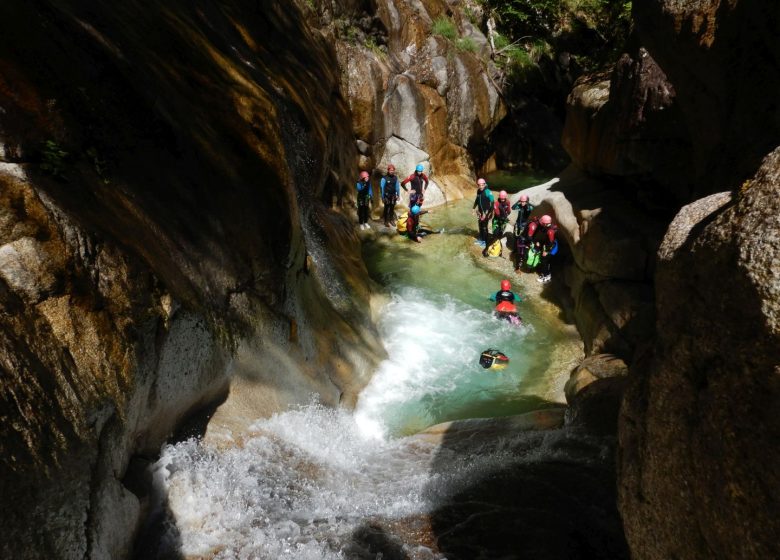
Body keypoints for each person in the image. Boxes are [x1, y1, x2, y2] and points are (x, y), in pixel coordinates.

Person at [527, 214, 558, 283]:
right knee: (544, 261)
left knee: (545, 262)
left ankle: (546, 276)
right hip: (547, 246)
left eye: (542, 223)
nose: (541, 224)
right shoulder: (547, 227)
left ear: (545, 223)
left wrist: (546, 251)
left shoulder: (550, 231)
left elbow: (551, 242)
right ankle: (545, 274)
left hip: (551, 248)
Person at [511, 194, 535, 272]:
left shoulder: (529, 207)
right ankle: (515, 250)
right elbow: (513, 207)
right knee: (515, 237)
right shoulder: (520, 206)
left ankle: (520, 253)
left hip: (524, 225)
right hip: (518, 224)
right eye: (521, 201)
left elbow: (533, 209)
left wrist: (527, 204)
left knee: (521, 240)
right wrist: (518, 202)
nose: (522, 203)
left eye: (524, 202)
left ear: (527, 201)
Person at [472, 178, 494, 247]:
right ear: (478, 185)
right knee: (480, 226)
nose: (481, 186)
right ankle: (481, 239)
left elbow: (492, 203)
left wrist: (487, 214)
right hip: (480, 212)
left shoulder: (488, 192)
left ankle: (485, 241)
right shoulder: (478, 191)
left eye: (482, 185)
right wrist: (473, 208)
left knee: (484, 227)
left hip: (487, 213)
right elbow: (477, 199)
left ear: (484, 184)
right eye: (479, 185)